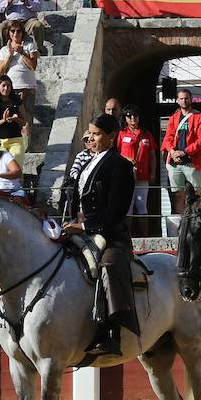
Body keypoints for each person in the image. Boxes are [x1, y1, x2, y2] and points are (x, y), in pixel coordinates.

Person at [63, 113, 139, 357]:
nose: (91, 138)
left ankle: (111, 332)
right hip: (81, 227)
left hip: (111, 233)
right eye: (90, 133)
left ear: (112, 136)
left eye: (96, 134)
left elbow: (116, 210)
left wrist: (85, 227)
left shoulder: (121, 166)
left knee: (108, 264)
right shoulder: (87, 163)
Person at [161, 88, 201, 213]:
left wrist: (185, 151)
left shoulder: (199, 117)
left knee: (196, 195)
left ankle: (195, 223)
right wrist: (172, 151)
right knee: (178, 195)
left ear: (191, 99)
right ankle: (181, 224)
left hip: (192, 161)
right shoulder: (174, 118)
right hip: (175, 163)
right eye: (181, 98)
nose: (184, 100)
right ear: (177, 100)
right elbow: (168, 137)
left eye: (186, 98)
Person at [0, 20, 37, 145]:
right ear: (8, 33)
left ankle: (26, 146)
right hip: (10, 89)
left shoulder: (30, 46)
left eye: (18, 31)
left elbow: (33, 66)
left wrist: (21, 53)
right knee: (11, 117)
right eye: (12, 31)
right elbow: (0, 70)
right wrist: (10, 55)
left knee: (26, 117)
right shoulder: (4, 50)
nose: (15, 33)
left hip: (27, 87)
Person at [116, 105, 157, 225]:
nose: (133, 118)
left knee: (141, 204)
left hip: (143, 175)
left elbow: (153, 155)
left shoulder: (146, 134)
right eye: (129, 116)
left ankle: (145, 236)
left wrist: (153, 173)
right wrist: (127, 158)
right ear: (125, 118)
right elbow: (115, 153)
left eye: (135, 115)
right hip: (126, 175)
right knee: (128, 205)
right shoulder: (121, 134)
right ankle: (128, 237)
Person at [0, 74, 26, 166]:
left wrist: (16, 119)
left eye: (8, 86)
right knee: (1, 168)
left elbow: (24, 122)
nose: (6, 88)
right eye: (3, 86)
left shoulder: (17, 101)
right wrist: (3, 120)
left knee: (17, 166)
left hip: (15, 140)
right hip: (0, 142)